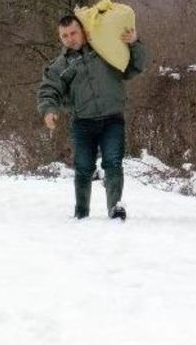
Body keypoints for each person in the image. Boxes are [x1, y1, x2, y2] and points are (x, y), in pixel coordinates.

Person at [37, 14, 148, 220]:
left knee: (113, 162)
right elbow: (49, 90)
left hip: (112, 118)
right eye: (64, 36)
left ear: (83, 31)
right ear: (60, 38)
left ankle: (115, 208)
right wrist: (49, 110)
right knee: (83, 167)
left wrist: (134, 44)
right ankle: (81, 212)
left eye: (73, 33)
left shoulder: (105, 50)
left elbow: (134, 67)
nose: (70, 39)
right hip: (83, 122)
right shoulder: (60, 66)